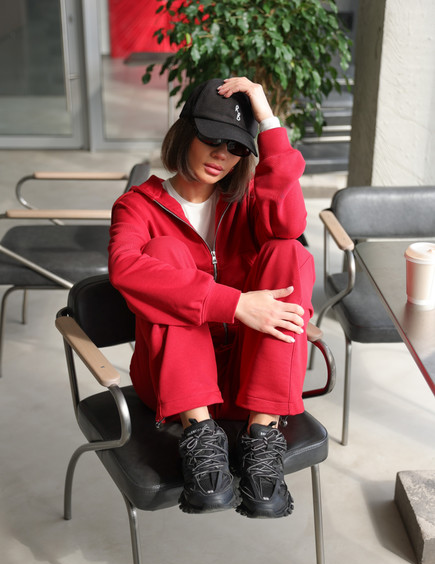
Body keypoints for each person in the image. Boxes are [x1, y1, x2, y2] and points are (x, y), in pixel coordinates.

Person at [108, 77, 315, 518]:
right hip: (173, 384)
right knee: (163, 253)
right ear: (185, 132)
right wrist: (236, 304)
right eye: (212, 138)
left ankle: (262, 441)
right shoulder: (137, 205)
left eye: (237, 146)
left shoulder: (247, 202)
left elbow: (291, 223)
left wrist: (267, 119)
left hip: (247, 380)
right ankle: (200, 439)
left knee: (288, 251)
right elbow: (125, 269)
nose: (222, 154)